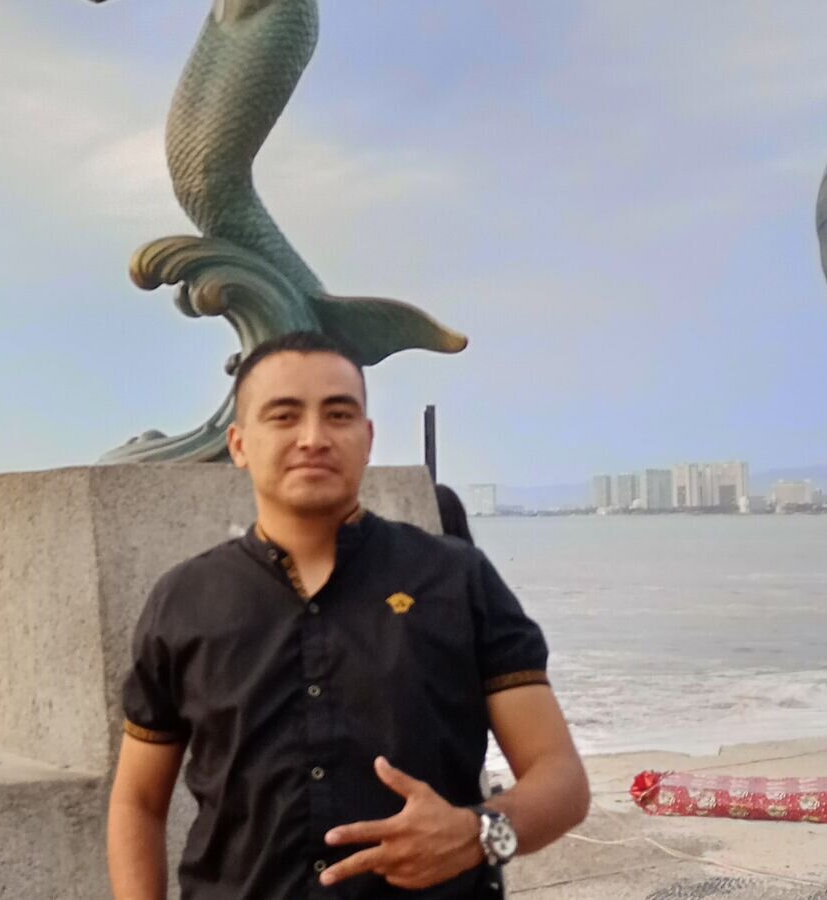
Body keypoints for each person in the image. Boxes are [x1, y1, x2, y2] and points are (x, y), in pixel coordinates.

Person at [106, 331, 589, 899]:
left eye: (338, 415)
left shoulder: (456, 580)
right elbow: (138, 801)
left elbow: (561, 780)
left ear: (367, 438)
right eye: (284, 416)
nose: (313, 438)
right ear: (238, 444)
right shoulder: (184, 600)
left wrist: (477, 833)